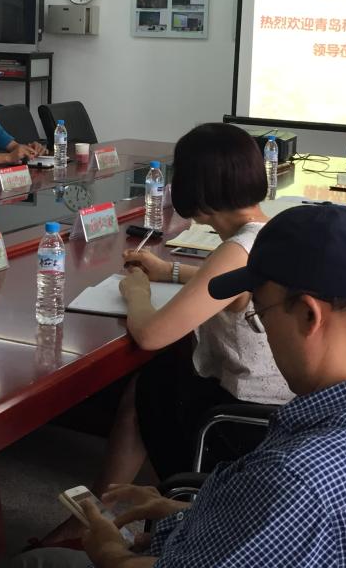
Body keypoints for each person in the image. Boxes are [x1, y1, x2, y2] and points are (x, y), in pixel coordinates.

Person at [12, 205, 346, 568]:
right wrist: (182, 510)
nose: (262, 327)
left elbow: (295, 509)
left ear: (309, 315)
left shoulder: (301, 479)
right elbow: (278, 536)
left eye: (259, 312)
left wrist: (109, 551)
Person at [41, 123, 287, 547]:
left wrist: (136, 291)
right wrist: (169, 270)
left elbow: (152, 334)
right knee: (153, 381)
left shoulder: (235, 250)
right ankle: (104, 510)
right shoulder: (268, 231)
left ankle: (122, 516)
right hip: (275, 406)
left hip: (243, 420)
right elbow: (230, 286)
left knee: (153, 380)